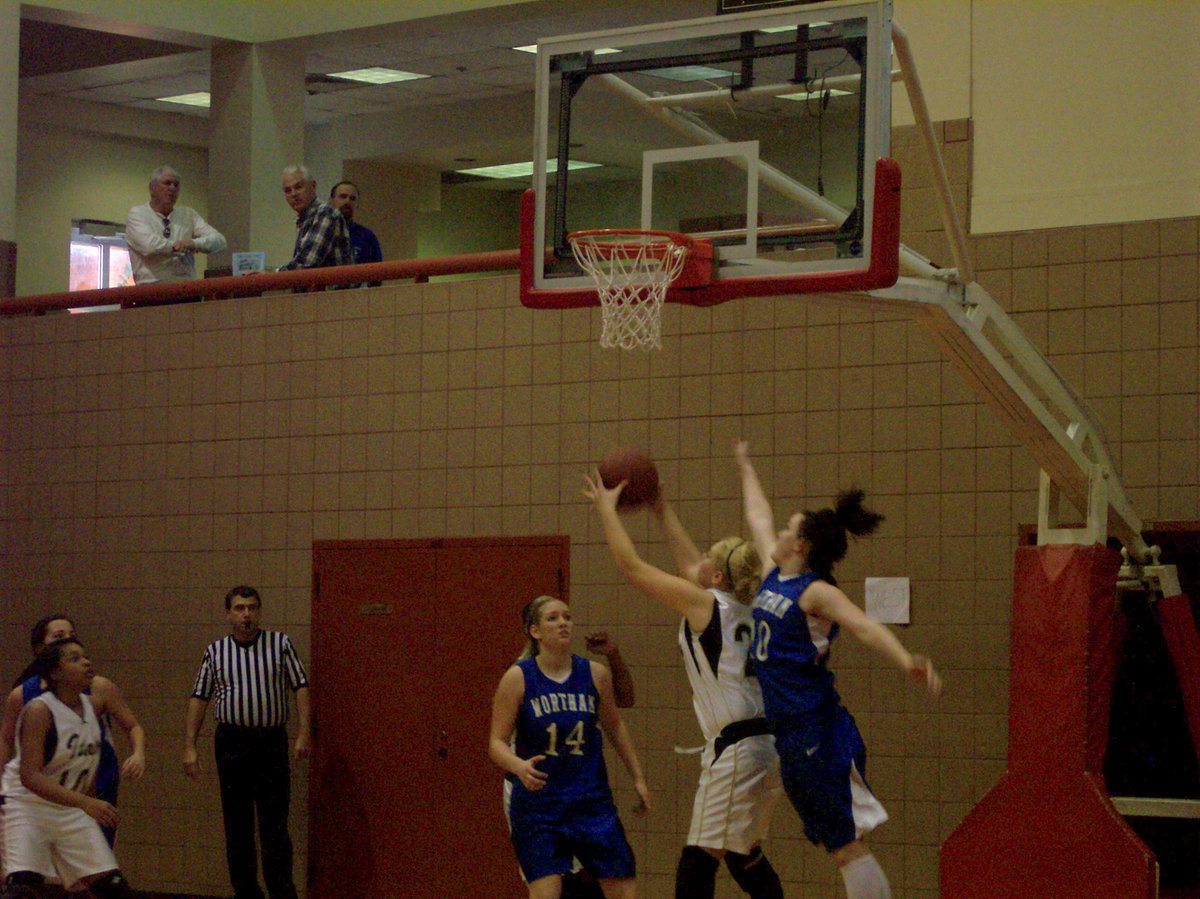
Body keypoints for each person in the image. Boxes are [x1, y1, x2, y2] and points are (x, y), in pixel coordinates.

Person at [735, 441, 941, 899]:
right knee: (844, 843)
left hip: (817, 731)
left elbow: (866, 627)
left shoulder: (815, 592)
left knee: (844, 847)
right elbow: (759, 517)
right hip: (792, 733)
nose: (780, 533)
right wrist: (746, 467)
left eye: (791, 530)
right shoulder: (777, 571)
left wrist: (906, 660)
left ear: (801, 544)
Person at [584, 475, 785, 899]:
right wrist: (660, 509)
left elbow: (631, 567)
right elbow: (690, 563)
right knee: (742, 855)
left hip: (738, 750)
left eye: (706, 563)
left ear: (715, 575)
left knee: (696, 865)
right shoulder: (753, 605)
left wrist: (605, 511)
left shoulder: (707, 604)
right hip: (766, 745)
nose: (697, 565)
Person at [489, 596, 649, 899]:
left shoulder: (593, 673)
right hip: (540, 803)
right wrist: (517, 765)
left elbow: (616, 724)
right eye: (553, 618)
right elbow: (495, 743)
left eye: (567, 617)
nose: (563, 622)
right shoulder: (518, 677)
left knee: (625, 889)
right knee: (548, 892)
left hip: (589, 800)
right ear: (534, 631)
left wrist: (638, 777)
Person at [183, 586, 310, 899]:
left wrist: (305, 732)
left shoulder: (279, 644)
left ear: (260, 611)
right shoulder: (215, 651)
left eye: (252, 608)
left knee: (274, 824)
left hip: (270, 741)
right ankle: (246, 892)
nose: (246, 615)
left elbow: (301, 687)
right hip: (232, 742)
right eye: (239, 608)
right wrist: (189, 744)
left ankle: (282, 890)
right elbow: (199, 697)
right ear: (228, 614)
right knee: (237, 824)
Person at [2, 638, 135, 898]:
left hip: (70, 807)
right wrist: (86, 802)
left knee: (114, 889)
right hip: (28, 805)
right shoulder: (39, 710)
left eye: (85, 656)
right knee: (22, 889)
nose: (86, 661)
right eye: (74, 658)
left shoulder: (92, 707)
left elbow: (84, 764)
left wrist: (87, 800)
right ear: (55, 673)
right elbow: (29, 776)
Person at [1, 614, 145, 848]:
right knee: (34, 869)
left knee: (95, 868)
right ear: (40, 649)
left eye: (71, 636)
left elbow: (133, 726)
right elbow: (6, 741)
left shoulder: (99, 688)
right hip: (44, 789)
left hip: (94, 784)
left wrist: (138, 753)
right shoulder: (23, 695)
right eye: (58, 637)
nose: (66, 641)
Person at [124, 165, 227, 284]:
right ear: (152, 188)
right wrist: (177, 247)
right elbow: (150, 246)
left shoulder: (188, 214)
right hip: (151, 293)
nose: (172, 188)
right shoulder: (138, 214)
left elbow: (220, 241)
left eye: (176, 185)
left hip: (186, 290)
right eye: (167, 183)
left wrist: (194, 244)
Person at [278, 164, 352, 273]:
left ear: (313, 186)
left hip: (334, 289)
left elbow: (307, 263)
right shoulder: (304, 219)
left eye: (298, 187)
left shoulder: (326, 213)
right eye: (288, 190)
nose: (293, 194)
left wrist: (268, 276)